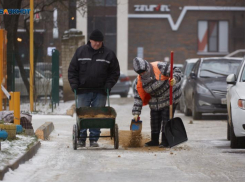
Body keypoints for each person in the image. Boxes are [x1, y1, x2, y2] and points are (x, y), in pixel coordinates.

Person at [68, 29, 120, 147]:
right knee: (83, 116)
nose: (97, 44)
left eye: (99, 41)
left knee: (98, 116)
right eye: (95, 41)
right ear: (90, 40)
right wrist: (74, 84)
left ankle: (94, 139)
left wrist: (109, 84)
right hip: (83, 90)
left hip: (100, 91)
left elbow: (114, 72)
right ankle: (81, 139)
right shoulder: (80, 52)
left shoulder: (109, 54)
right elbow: (72, 70)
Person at [132, 57, 182, 148]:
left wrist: (174, 79)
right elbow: (138, 96)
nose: (142, 74)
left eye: (143, 71)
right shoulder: (139, 81)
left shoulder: (159, 67)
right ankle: (154, 140)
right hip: (155, 98)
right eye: (140, 73)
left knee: (166, 118)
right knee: (154, 117)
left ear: (147, 67)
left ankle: (165, 140)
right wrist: (136, 112)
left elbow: (177, 70)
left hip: (169, 95)